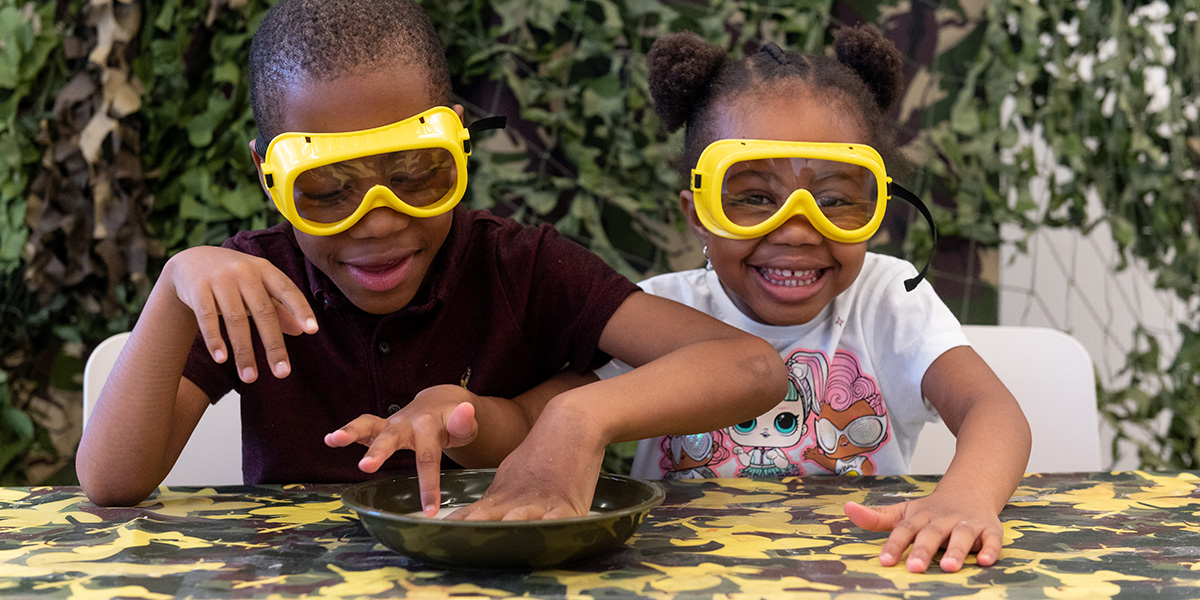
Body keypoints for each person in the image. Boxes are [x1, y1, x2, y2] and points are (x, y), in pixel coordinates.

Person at [76, 0, 788, 519]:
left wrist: (574, 418)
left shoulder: (523, 266)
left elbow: (751, 368)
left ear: (461, 149)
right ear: (270, 177)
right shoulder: (249, 291)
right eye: (327, 190)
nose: (381, 221)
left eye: (419, 173)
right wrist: (175, 288)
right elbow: (112, 482)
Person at [596, 25, 1031, 573]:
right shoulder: (653, 312)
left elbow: (993, 411)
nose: (798, 229)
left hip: (864, 574)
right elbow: (545, 416)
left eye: (834, 200)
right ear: (698, 214)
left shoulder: (888, 299)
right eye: (754, 199)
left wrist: (967, 496)